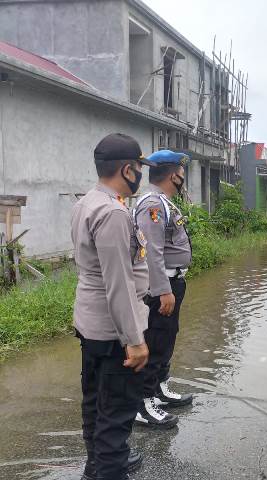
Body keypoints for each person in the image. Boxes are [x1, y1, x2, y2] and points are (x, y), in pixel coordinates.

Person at [71, 133, 156, 480]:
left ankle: (98, 465)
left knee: (94, 402)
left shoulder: (86, 202)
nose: (141, 175)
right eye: (139, 168)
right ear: (127, 169)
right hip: (114, 330)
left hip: (91, 323)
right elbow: (118, 283)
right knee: (116, 413)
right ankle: (108, 467)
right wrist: (134, 341)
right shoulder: (113, 213)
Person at [134, 150, 193, 429]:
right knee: (156, 339)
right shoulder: (152, 205)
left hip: (173, 282)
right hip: (163, 285)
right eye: (182, 172)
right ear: (174, 175)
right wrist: (162, 290)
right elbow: (152, 251)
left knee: (167, 337)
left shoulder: (165, 203)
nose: (183, 176)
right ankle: (142, 402)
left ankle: (158, 388)